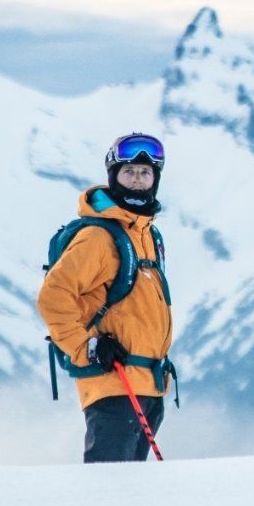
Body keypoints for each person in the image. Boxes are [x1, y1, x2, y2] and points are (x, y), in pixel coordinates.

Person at [38, 133, 175, 463]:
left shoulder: (146, 235)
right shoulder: (98, 237)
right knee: (108, 491)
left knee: (132, 494)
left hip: (148, 385)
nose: (138, 180)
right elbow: (53, 296)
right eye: (129, 172)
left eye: (145, 173)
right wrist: (86, 348)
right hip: (114, 383)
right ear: (114, 177)